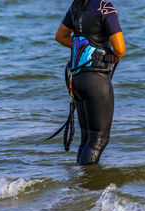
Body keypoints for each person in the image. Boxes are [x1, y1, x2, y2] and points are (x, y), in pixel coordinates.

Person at [55, 0, 125, 165]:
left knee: (87, 138)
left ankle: (81, 182)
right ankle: (89, 185)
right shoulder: (104, 6)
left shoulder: (77, 5)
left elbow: (60, 36)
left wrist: (84, 49)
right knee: (98, 140)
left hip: (76, 77)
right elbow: (120, 49)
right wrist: (107, 58)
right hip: (96, 79)